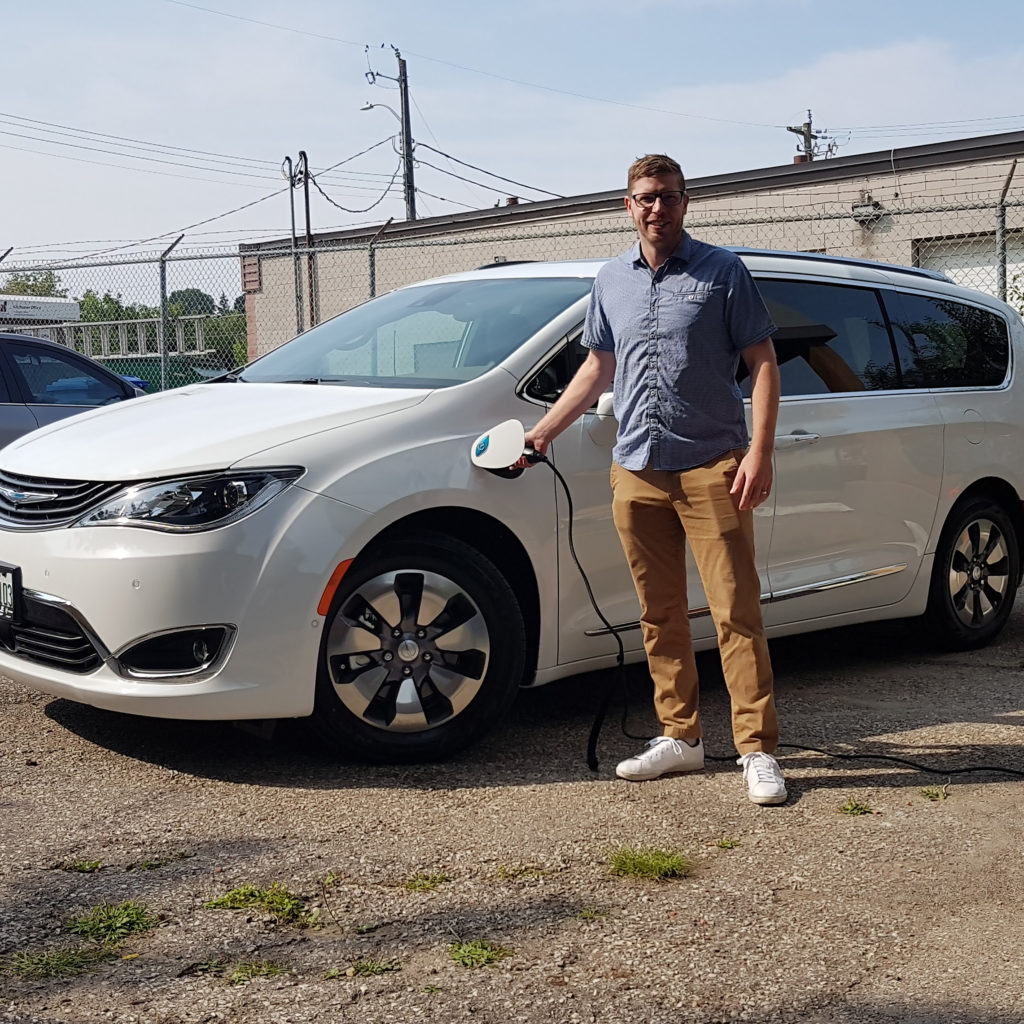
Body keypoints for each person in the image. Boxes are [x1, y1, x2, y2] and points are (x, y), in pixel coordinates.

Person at [523, 153, 786, 805]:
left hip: (713, 468)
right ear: (627, 205)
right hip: (636, 469)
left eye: (668, 196)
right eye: (645, 197)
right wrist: (543, 433)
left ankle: (756, 750)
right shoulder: (611, 280)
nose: (656, 207)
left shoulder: (723, 274)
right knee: (658, 612)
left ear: (685, 202)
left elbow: (763, 362)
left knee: (736, 612)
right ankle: (681, 738)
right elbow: (596, 369)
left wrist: (759, 453)